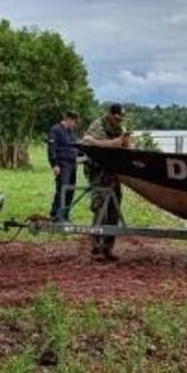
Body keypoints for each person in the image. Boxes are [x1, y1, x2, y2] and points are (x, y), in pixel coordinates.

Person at [82, 103, 132, 260]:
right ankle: (96, 245)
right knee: (100, 207)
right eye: (117, 118)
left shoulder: (120, 129)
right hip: (98, 172)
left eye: (121, 119)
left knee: (114, 210)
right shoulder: (99, 125)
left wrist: (127, 144)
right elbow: (87, 140)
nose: (119, 122)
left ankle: (108, 247)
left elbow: (127, 145)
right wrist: (111, 144)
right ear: (110, 114)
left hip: (114, 173)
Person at [46, 110, 80, 222]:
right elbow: (51, 148)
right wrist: (54, 164)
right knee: (62, 190)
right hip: (62, 164)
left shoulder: (71, 132)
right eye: (74, 122)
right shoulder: (55, 130)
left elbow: (75, 147)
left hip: (72, 164)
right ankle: (56, 215)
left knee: (70, 190)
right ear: (69, 119)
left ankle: (65, 215)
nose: (75, 125)